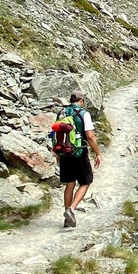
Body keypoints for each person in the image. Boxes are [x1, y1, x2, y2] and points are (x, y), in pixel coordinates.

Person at [52, 92, 102, 228]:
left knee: (69, 184)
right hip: (79, 152)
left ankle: (67, 218)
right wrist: (97, 153)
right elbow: (90, 136)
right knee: (86, 182)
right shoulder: (84, 114)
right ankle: (71, 209)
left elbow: (56, 133)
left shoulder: (61, 113)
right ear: (81, 100)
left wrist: (57, 153)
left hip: (63, 152)